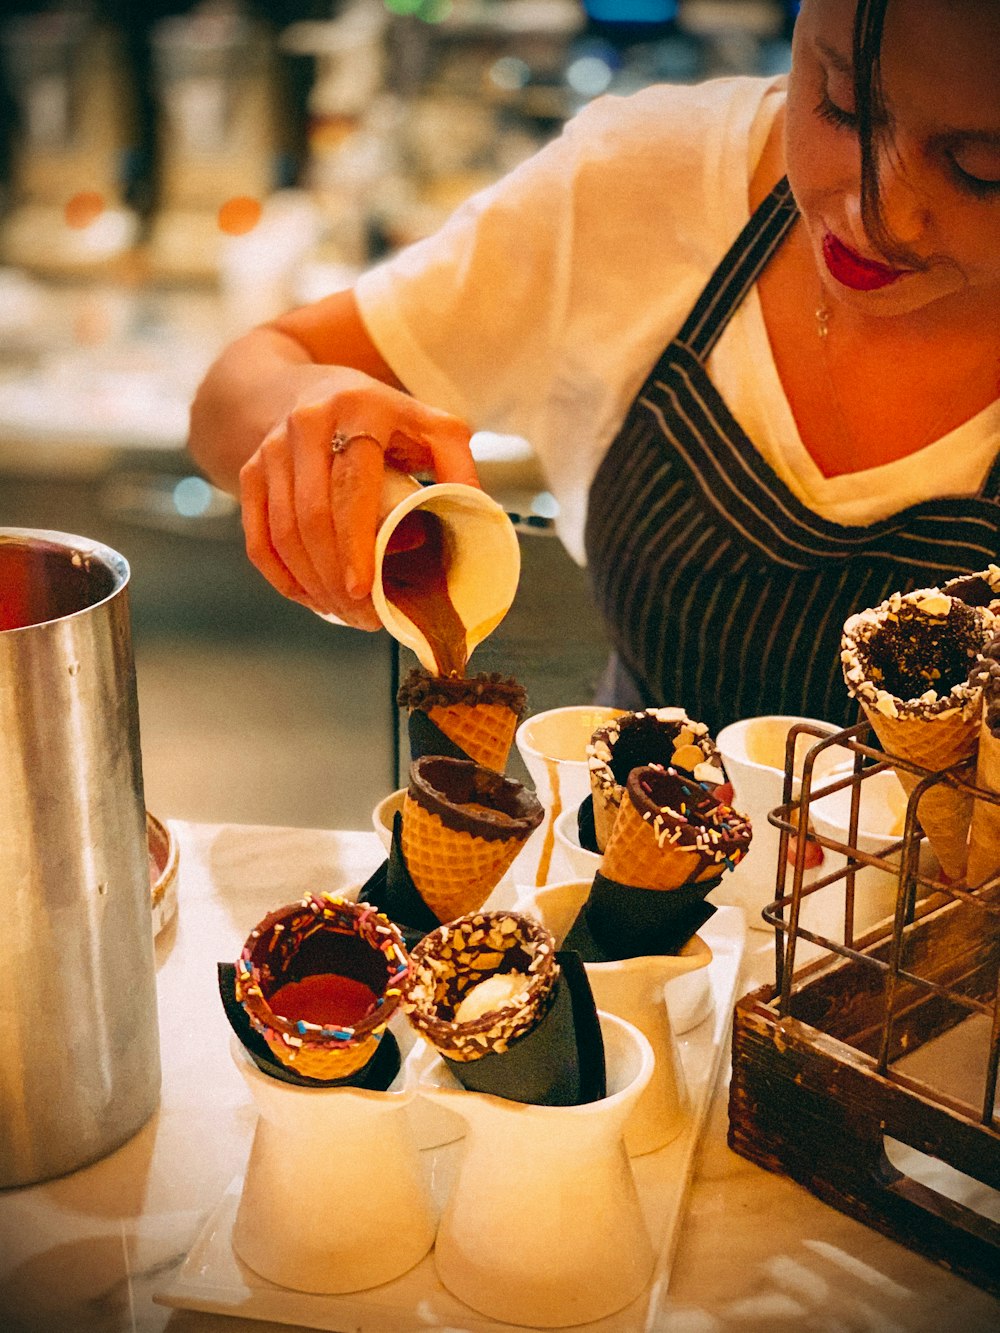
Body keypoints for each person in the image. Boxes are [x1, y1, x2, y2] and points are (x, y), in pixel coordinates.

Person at [189, 0, 1000, 734]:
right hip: (621, 883)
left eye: (979, 170)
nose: (879, 214)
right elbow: (239, 387)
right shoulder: (649, 181)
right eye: (842, 105)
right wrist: (319, 415)